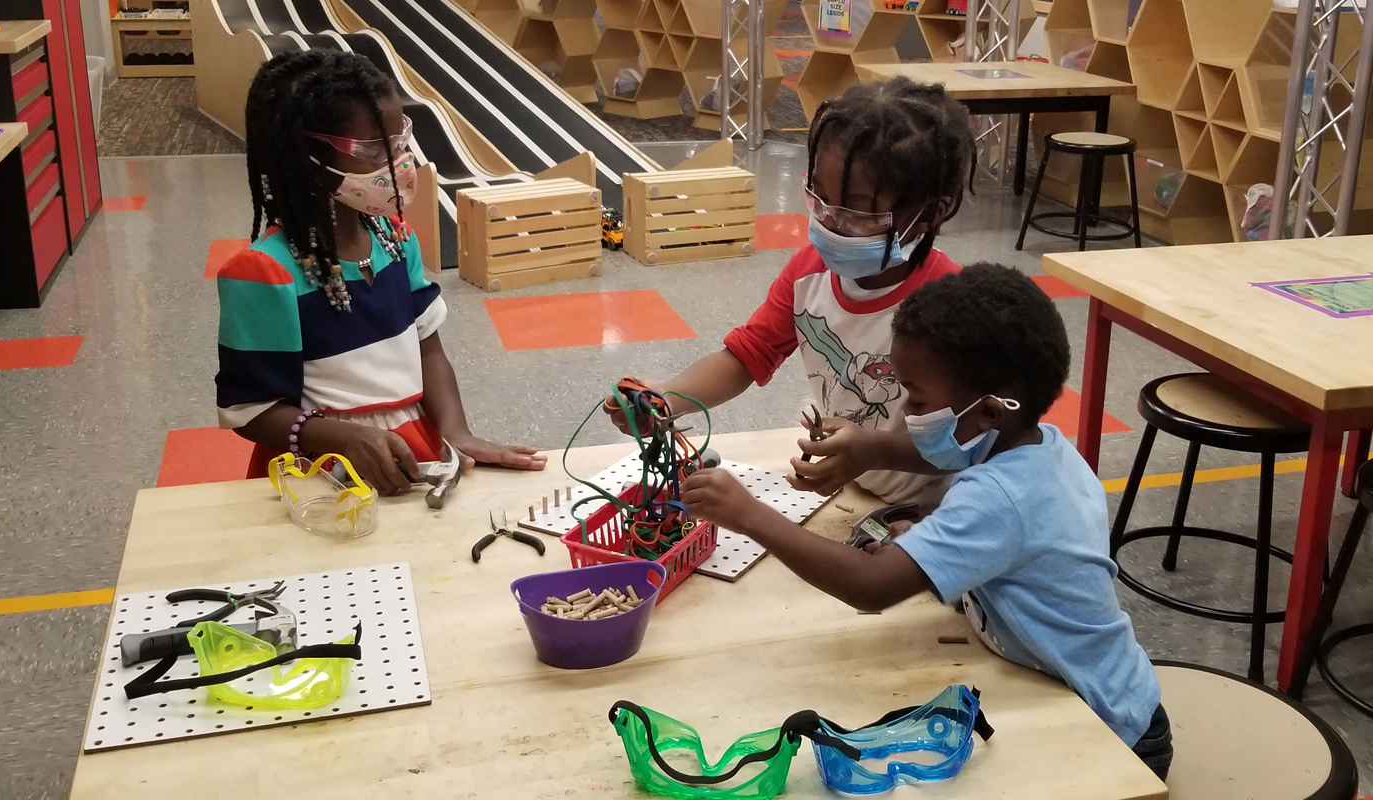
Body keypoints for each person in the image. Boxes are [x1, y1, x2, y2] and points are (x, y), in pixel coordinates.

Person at [681, 264, 1172, 779]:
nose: (908, 413)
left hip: (1110, 732)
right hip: (1092, 688)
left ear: (987, 414)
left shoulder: (999, 496)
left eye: (918, 400)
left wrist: (749, 514)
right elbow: (984, 506)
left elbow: (871, 587)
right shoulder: (1036, 449)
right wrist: (890, 481)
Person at [605, 77, 976, 508]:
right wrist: (668, 398)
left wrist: (869, 453)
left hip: (935, 510)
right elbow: (748, 353)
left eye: (856, 212)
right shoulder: (809, 271)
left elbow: (971, 445)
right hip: (856, 494)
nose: (830, 224)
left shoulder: (954, 305)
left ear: (930, 213)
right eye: (819, 198)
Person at [214, 50, 544, 495]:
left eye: (401, 141)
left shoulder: (397, 240)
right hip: (322, 471)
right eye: (375, 150)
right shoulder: (263, 273)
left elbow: (429, 351)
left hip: (413, 450)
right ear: (304, 156)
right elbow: (251, 408)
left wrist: (456, 431)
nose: (398, 163)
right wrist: (344, 437)